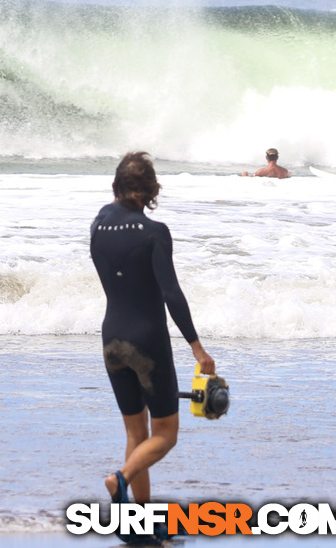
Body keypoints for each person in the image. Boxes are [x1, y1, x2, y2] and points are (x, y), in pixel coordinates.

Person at [90, 152, 216, 521]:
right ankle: (121, 478)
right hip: (146, 342)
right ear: (151, 191)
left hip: (111, 338)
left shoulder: (98, 223)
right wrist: (197, 347)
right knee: (165, 434)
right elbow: (171, 293)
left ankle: (140, 518)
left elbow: (115, 215)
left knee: (136, 432)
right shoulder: (154, 233)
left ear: (116, 185)